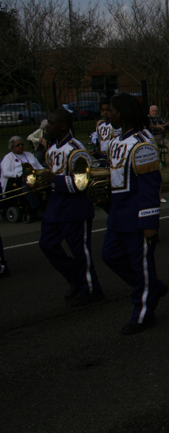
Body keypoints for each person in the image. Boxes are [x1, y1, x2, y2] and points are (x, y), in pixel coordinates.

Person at [102, 93, 168, 334]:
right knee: (110, 255)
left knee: (141, 267)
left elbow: (150, 185)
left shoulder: (142, 142)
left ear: (124, 113)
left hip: (136, 216)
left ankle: (143, 313)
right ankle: (152, 287)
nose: (109, 115)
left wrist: (150, 222)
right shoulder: (118, 141)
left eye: (112, 110)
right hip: (118, 214)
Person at [38, 108, 104, 306]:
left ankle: (91, 289)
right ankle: (75, 278)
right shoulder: (51, 149)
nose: (47, 125)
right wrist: (41, 182)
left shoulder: (76, 150)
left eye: (51, 122)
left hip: (75, 208)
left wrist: (54, 180)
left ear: (64, 126)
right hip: (56, 206)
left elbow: (82, 183)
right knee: (47, 244)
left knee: (80, 251)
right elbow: (53, 176)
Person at [1, 136, 45, 217]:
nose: (21, 146)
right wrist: (19, 176)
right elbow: (5, 172)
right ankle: (36, 208)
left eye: (22, 144)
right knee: (28, 185)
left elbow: (40, 167)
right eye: (18, 145)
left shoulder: (29, 155)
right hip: (19, 179)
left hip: (36, 176)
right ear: (12, 147)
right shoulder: (8, 157)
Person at [94, 99, 120, 165]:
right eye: (103, 110)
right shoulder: (100, 126)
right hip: (102, 155)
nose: (105, 112)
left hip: (113, 155)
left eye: (107, 110)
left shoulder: (116, 125)